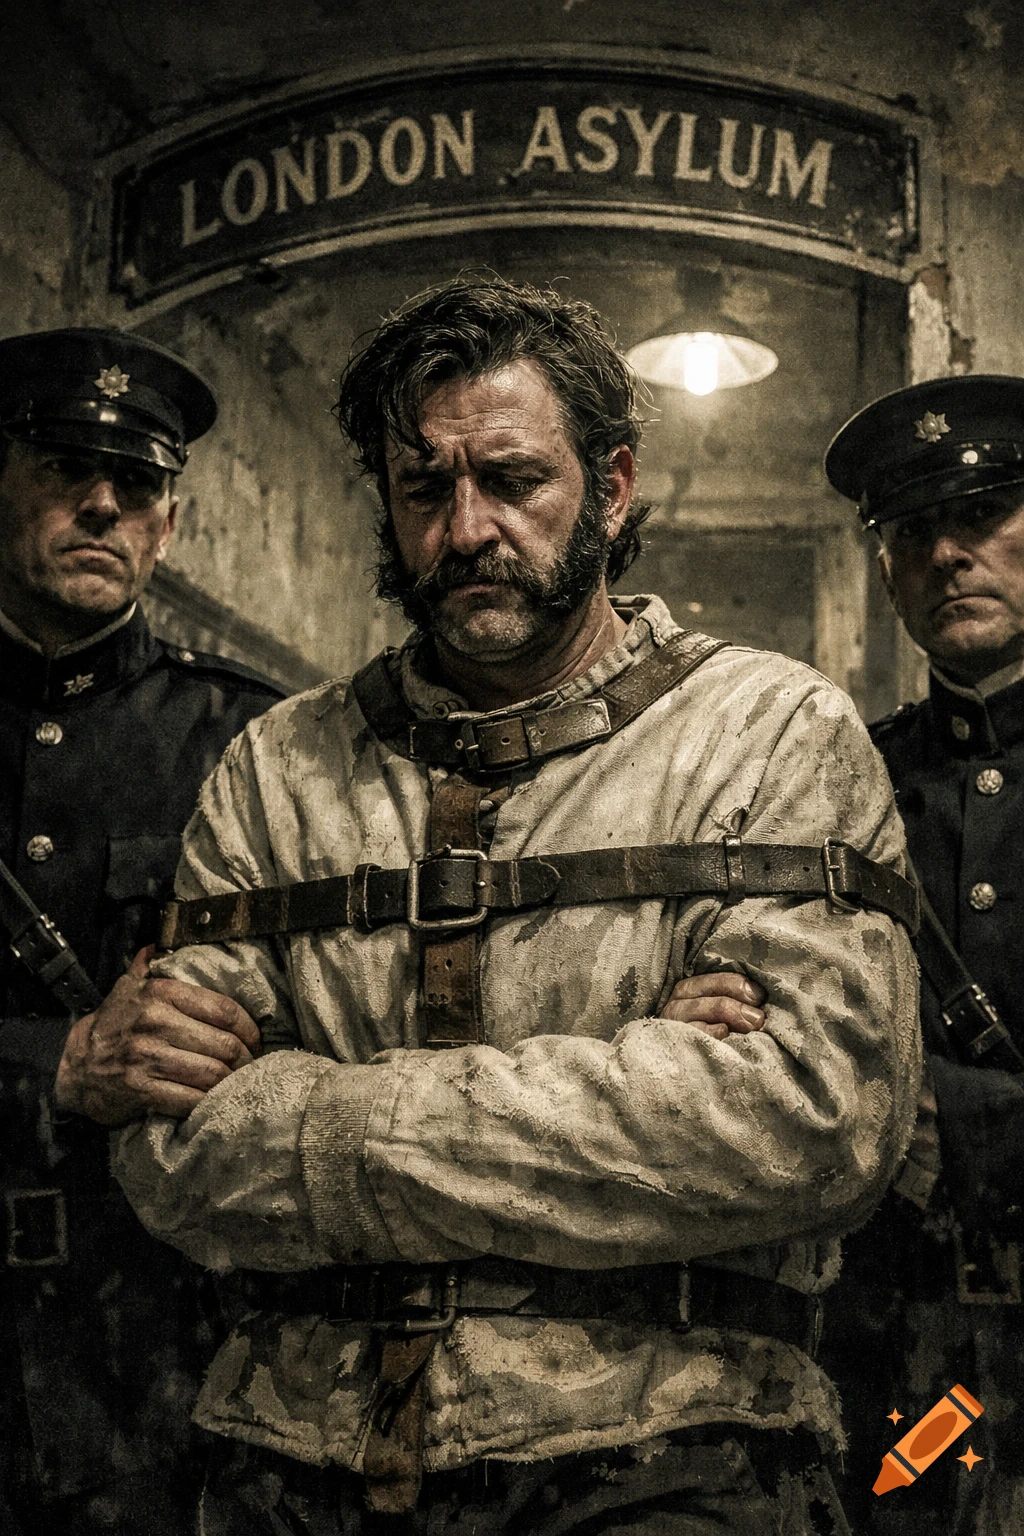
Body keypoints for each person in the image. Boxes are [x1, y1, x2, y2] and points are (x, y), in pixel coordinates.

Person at [113, 277, 921, 1536]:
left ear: (611, 488)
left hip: (675, 1450)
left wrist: (308, 1103)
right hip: (293, 1456)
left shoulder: (770, 736)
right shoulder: (277, 769)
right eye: (423, 488)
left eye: (512, 480)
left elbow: (810, 1121)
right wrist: (645, 1076)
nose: (467, 528)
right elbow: (170, 1156)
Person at [0, 326, 284, 1534]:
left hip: (148, 1356)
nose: (103, 504)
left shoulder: (248, 745)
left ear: (171, 523)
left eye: (137, 483)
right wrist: (54, 1067)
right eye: (66, 468)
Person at [823, 375, 1024, 1536]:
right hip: (898, 1351)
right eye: (912, 532)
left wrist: (949, 1119)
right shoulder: (840, 784)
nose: (948, 554)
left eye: (983, 515)